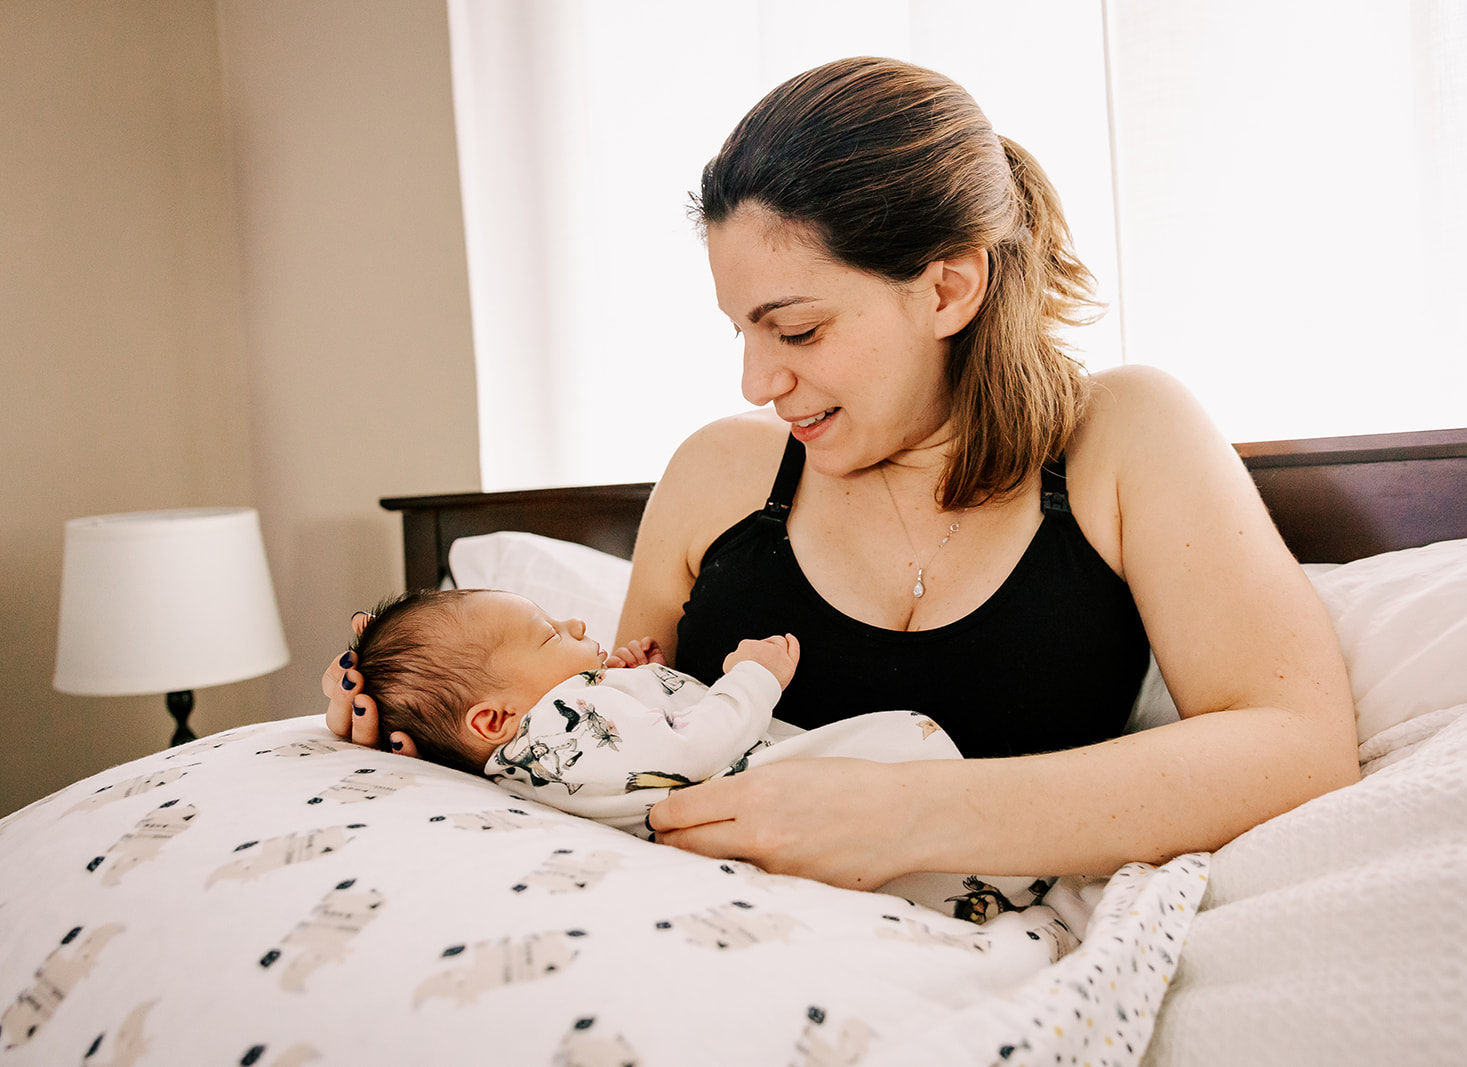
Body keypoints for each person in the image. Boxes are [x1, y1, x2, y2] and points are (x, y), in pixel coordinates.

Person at [325, 56, 1358, 895]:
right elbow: (607, 732)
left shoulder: (1122, 436)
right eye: (741, 331)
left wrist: (904, 814)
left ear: (948, 285)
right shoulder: (719, 475)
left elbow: (1296, 745)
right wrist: (423, 722)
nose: (757, 380)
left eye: (797, 328)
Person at [343, 586, 1053, 922]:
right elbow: (691, 745)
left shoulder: (543, 744)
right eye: (547, 632)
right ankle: (1005, 873)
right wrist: (755, 675)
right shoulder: (558, 719)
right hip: (754, 792)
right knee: (899, 743)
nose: (576, 622)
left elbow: (631, 742)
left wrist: (627, 671)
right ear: (495, 716)